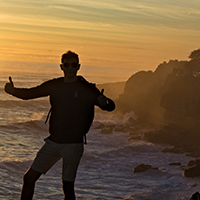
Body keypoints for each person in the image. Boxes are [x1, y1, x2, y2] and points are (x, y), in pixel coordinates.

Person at [4, 51, 115, 200]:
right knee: (29, 178)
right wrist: (12, 91)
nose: (70, 68)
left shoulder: (86, 88)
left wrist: (105, 103)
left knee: (67, 187)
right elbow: (30, 93)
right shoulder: (55, 85)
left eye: (73, 65)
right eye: (67, 65)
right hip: (53, 142)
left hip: (73, 145)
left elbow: (110, 105)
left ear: (78, 66)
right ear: (61, 67)